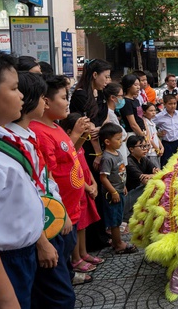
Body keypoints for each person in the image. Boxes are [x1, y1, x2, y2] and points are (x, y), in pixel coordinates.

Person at [3, 72, 77, 306]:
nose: (46, 103)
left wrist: (61, 212)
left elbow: (46, 181)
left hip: (52, 223)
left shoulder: (29, 136)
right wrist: (42, 241)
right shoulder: (7, 143)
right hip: (37, 234)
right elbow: (22, 201)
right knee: (58, 298)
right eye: (43, 97)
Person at [0, 49, 46, 308]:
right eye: (15, 89)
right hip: (0, 263)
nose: (22, 96)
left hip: (20, 257)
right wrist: (6, 300)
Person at [30, 75, 92, 286]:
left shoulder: (55, 127)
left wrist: (79, 134)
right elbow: (46, 180)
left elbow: (69, 155)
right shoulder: (40, 133)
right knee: (57, 278)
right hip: (59, 216)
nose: (68, 102)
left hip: (70, 212)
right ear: (46, 102)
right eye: (64, 97)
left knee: (64, 263)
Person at [59, 113, 102, 279]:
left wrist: (94, 183)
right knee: (77, 224)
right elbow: (72, 168)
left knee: (83, 223)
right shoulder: (69, 146)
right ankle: (76, 258)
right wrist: (87, 187)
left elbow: (85, 168)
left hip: (85, 185)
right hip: (79, 187)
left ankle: (83, 253)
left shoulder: (80, 145)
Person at [98, 122, 138, 254]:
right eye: (118, 139)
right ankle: (118, 244)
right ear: (107, 141)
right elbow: (103, 178)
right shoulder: (107, 158)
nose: (121, 141)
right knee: (114, 220)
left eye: (121, 138)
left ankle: (117, 241)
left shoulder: (117, 153)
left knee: (118, 218)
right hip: (112, 195)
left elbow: (120, 173)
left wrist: (124, 186)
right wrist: (113, 191)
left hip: (120, 190)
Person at [124, 135, 158, 224]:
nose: (145, 149)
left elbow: (160, 172)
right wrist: (152, 175)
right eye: (141, 146)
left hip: (137, 196)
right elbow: (144, 180)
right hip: (129, 196)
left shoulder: (144, 159)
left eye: (146, 146)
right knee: (150, 185)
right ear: (131, 149)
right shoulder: (129, 162)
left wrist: (150, 175)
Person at [154, 94, 178, 166]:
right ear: (164, 104)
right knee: (166, 163)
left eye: (175, 103)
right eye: (170, 104)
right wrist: (158, 133)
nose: (173, 106)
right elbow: (151, 125)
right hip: (166, 143)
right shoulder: (159, 116)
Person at [103, 82, 129, 160]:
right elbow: (122, 135)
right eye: (121, 96)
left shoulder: (113, 113)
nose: (122, 99)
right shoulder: (108, 114)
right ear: (113, 98)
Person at [142, 103, 163, 169]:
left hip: (156, 151)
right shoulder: (145, 123)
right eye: (151, 111)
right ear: (144, 113)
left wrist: (161, 147)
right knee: (155, 170)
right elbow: (149, 138)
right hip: (151, 152)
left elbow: (156, 136)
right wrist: (157, 149)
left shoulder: (152, 123)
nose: (153, 112)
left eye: (154, 110)